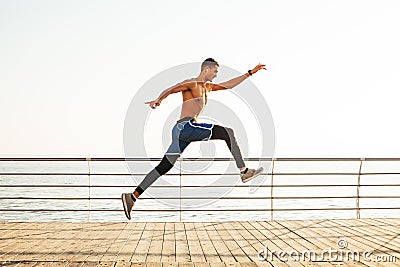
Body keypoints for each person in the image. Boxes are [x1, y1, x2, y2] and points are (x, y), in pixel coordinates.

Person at [122, 58, 266, 220]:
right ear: (206, 69)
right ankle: (244, 171)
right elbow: (172, 89)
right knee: (228, 133)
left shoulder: (208, 88)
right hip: (186, 127)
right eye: (215, 71)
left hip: (183, 132)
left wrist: (250, 73)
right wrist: (159, 99)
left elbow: (229, 85)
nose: (216, 75)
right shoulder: (191, 84)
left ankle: (132, 196)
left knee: (164, 167)